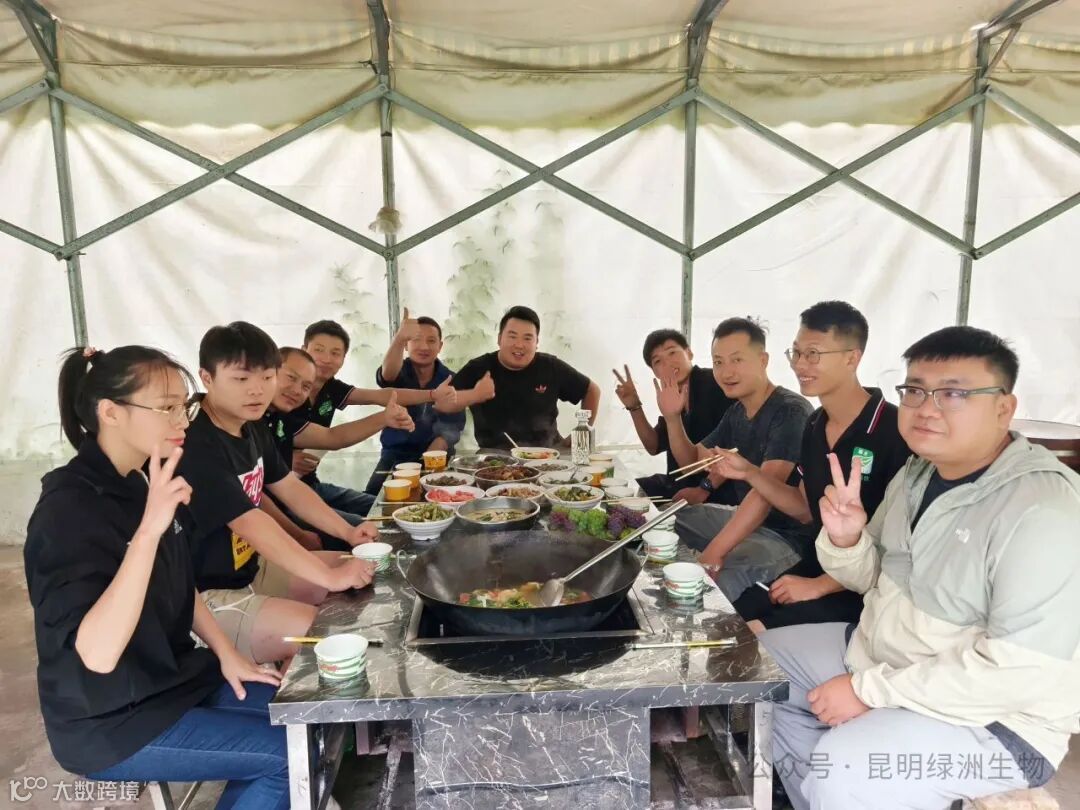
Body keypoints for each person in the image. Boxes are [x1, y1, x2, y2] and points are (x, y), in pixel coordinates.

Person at [761, 326, 1080, 810]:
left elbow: (1018, 673)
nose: (926, 408)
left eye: (953, 393)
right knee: (764, 666)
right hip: (891, 657)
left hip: (999, 722)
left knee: (847, 768)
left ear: (1004, 408)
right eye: (914, 390)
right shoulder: (918, 474)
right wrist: (846, 539)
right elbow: (874, 578)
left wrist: (867, 691)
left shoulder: (1043, 511)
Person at [24, 346, 288, 809]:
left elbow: (179, 581)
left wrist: (228, 655)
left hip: (173, 681)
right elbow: (98, 654)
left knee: (307, 722)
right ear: (111, 413)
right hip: (112, 721)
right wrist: (148, 531)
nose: (182, 421)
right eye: (166, 407)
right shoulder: (67, 510)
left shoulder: (143, 479)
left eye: (183, 406)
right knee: (287, 757)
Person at [177, 322, 378, 666]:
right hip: (203, 596)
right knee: (319, 633)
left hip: (252, 569)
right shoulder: (195, 441)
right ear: (207, 378)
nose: (257, 390)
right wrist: (328, 577)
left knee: (354, 569)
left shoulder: (251, 425)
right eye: (241, 379)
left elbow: (289, 486)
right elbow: (248, 521)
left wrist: (348, 532)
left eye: (267, 377)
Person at [718, 302, 909, 633]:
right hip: (816, 564)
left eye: (813, 354)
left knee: (753, 632)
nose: (799, 364)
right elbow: (804, 508)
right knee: (731, 615)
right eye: (796, 353)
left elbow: (898, 551)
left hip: (868, 591)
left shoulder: (896, 431)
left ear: (852, 358)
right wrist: (750, 472)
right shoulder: (815, 424)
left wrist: (820, 585)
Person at [661, 317, 813, 600]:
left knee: (719, 581)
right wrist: (672, 418)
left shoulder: (790, 411)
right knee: (666, 519)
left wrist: (713, 553)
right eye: (718, 362)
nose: (726, 371)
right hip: (745, 519)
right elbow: (692, 460)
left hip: (785, 537)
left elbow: (763, 494)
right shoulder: (737, 412)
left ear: (763, 360)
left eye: (737, 360)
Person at [296, 319, 456, 516]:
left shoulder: (331, 388)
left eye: (335, 353)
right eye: (319, 350)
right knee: (376, 516)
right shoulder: (287, 393)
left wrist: (433, 394)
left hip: (309, 485)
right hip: (286, 490)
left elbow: (381, 395)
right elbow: (333, 438)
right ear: (303, 350)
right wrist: (281, 461)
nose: (327, 359)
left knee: (387, 510)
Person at [262, 346, 415, 549]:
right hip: (271, 519)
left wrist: (386, 418)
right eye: (291, 377)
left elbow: (332, 437)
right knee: (374, 531)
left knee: (382, 511)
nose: (297, 390)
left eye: (306, 386)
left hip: (301, 492)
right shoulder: (245, 422)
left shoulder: (279, 417)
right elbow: (256, 500)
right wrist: (298, 535)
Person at [447, 305, 601, 450]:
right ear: (499, 339)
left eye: (527, 338)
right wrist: (473, 395)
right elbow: (446, 401)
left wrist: (581, 434)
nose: (519, 345)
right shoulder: (478, 368)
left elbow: (591, 390)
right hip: (495, 458)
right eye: (512, 336)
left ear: (536, 342)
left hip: (548, 455)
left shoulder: (550, 366)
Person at [613, 328, 732, 498]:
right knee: (618, 490)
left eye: (672, 352)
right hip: (676, 483)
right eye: (658, 361)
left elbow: (734, 449)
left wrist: (704, 489)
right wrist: (634, 406)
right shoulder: (671, 394)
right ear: (654, 372)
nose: (667, 363)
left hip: (716, 489)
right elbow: (653, 446)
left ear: (689, 353)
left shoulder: (716, 383)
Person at [365, 310, 466, 494]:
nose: (424, 346)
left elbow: (453, 426)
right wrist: (399, 338)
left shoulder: (451, 380)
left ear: (440, 346)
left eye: (431, 341)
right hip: (395, 456)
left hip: (436, 456)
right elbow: (387, 376)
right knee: (372, 499)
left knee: (438, 499)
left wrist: (430, 459)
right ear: (406, 344)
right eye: (416, 339)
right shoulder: (398, 370)